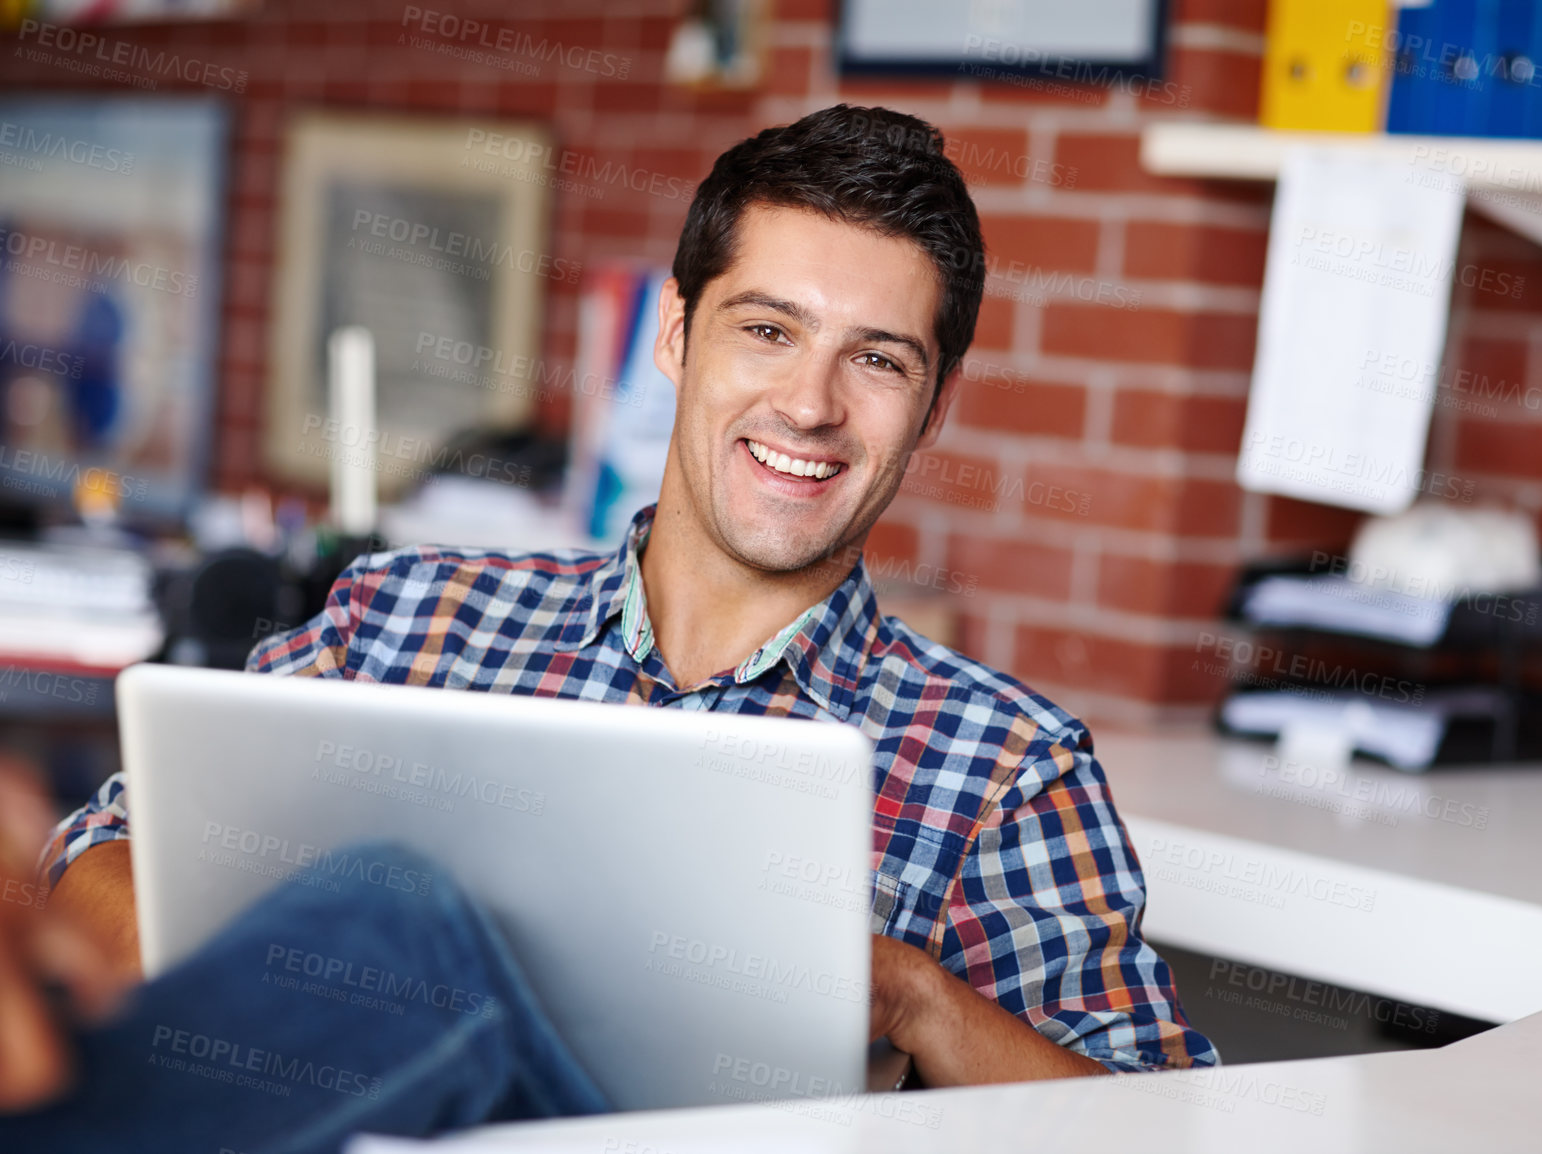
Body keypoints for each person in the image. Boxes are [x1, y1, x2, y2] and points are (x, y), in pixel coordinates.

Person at [6, 103, 1216, 1148]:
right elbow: (104, 853)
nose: (810, 401)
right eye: (767, 328)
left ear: (933, 407)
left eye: (880, 360)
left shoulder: (1004, 763)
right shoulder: (410, 617)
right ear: (678, 334)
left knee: (405, 917)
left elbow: (1159, 1133)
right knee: (394, 921)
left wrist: (912, 997)